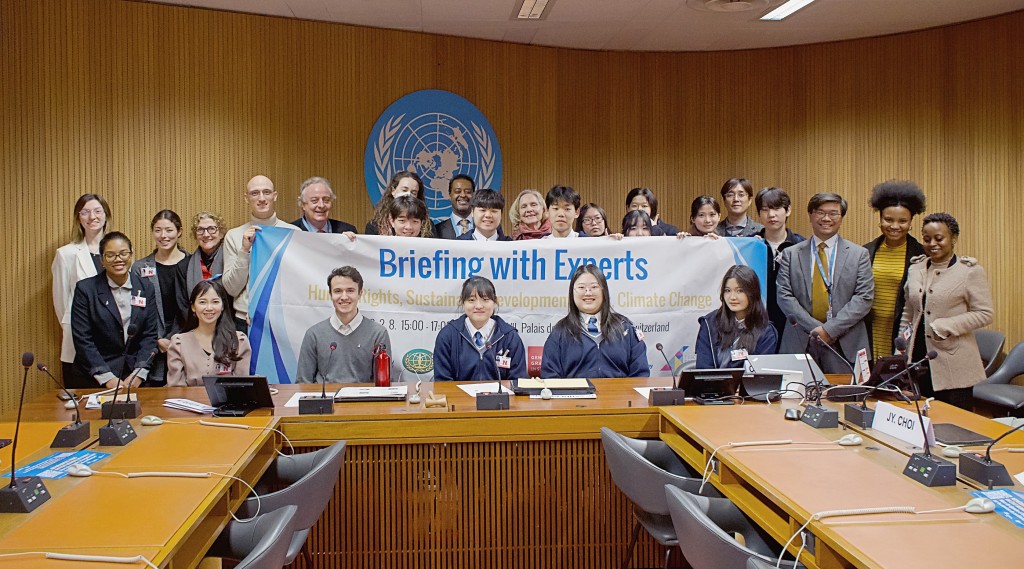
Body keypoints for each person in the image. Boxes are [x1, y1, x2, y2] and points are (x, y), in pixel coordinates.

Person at [899, 213, 993, 410]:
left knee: (956, 427)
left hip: (954, 363)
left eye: (939, 238)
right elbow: (909, 313)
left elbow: (984, 313)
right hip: (918, 360)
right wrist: (901, 351)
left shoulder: (969, 271)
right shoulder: (915, 268)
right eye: (927, 239)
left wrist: (945, 325)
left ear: (954, 239)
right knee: (921, 422)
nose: (932, 243)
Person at [777, 193, 874, 374]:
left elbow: (864, 298)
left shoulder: (859, 254)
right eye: (820, 212)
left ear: (841, 217)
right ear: (811, 215)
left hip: (845, 342)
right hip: (801, 341)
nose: (826, 218)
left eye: (833, 213)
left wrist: (829, 330)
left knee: (844, 399)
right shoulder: (791, 254)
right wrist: (815, 329)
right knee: (795, 398)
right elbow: (784, 296)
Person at [70, 232, 159, 389]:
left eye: (123, 253)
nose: (118, 259)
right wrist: (106, 377)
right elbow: (83, 339)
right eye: (110, 255)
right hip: (96, 377)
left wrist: (139, 372)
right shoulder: (86, 289)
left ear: (131, 255)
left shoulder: (146, 287)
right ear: (102, 260)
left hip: (135, 377)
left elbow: (149, 335)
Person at [541, 265, 649, 378]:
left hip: (619, 395)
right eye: (581, 288)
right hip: (576, 395)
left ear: (604, 291)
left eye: (594, 287)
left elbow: (640, 375)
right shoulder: (560, 332)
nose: (588, 293)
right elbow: (550, 377)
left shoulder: (625, 328)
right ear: (572, 293)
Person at [222, 175, 299, 333]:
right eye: (255, 193)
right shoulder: (234, 235)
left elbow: (299, 283)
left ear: (275, 196)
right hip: (245, 320)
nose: (262, 198)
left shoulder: (293, 233)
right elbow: (231, 288)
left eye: (267, 192)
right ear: (246, 198)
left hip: (283, 319)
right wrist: (244, 251)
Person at [864, 180, 927, 361]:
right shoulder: (865, 252)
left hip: (902, 329)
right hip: (870, 328)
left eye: (902, 221)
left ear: (911, 222)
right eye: (888, 220)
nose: (894, 226)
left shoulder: (922, 255)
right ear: (880, 219)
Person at [295, 266, 392, 383]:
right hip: (325, 400)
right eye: (338, 291)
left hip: (363, 400)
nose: (344, 297)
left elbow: (383, 384)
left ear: (360, 293)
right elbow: (303, 383)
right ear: (330, 295)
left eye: (350, 290)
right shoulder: (314, 334)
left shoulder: (378, 334)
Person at [52, 193, 110, 386]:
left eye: (97, 211)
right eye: (85, 212)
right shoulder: (66, 254)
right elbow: (61, 302)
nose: (92, 217)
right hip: (80, 339)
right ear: (78, 218)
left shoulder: (119, 250)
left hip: (113, 340)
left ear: (106, 215)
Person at [130, 210, 190, 386]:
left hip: (186, 342)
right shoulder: (140, 268)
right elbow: (137, 310)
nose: (163, 236)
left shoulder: (192, 263)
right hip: (151, 344)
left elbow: (196, 306)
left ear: (179, 232)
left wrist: (175, 338)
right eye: (158, 230)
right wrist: (157, 338)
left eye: (169, 230)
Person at [432, 277, 526, 381]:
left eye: (485, 300)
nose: (479, 306)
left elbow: (518, 381)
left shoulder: (509, 336)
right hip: (458, 397)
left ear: (495, 302)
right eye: (471, 300)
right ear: (463, 303)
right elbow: (442, 382)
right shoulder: (448, 335)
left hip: (499, 397)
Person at [165, 279, 251, 386]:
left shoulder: (239, 341)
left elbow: (242, 387)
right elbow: (176, 389)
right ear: (193, 307)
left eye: (215, 302)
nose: (209, 308)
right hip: (189, 402)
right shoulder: (179, 343)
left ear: (222, 306)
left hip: (227, 402)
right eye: (202, 302)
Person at [695, 265, 777, 368]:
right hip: (711, 383)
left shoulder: (766, 332)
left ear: (752, 293)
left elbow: (760, 376)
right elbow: (703, 368)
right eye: (728, 291)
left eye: (740, 291)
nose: (732, 297)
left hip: (746, 384)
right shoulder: (709, 323)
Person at [755, 187, 806, 349]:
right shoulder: (750, 244)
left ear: (788, 210)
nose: (771, 215)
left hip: (793, 325)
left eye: (776, 208)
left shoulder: (801, 246)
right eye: (765, 210)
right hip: (756, 325)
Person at [185, 211, 230, 298]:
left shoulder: (231, 259)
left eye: (212, 229)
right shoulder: (186, 265)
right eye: (200, 230)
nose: (205, 234)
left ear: (221, 233)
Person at [291, 177, 357, 234]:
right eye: (314, 200)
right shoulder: (290, 233)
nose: (321, 205)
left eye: (326, 200)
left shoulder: (347, 230)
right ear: (303, 204)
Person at [366, 170, 424, 235]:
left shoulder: (427, 225)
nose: (408, 194)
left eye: (414, 193)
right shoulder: (375, 225)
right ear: (393, 190)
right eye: (404, 190)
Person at [434, 175, 476, 239]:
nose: (463, 195)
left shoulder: (485, 227)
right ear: (450, 195)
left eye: (468, 192)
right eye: (457, 191)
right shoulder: (436, 230)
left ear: (474, 195)